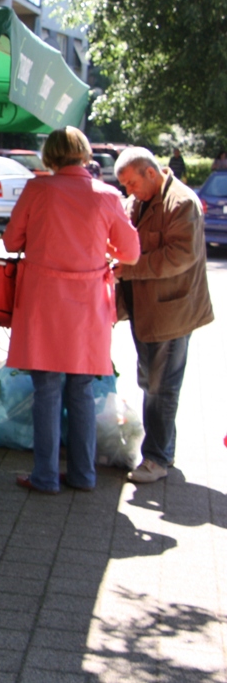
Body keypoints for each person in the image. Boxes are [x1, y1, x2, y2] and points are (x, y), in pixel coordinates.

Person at [3, 127, 140, 494]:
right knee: (80, 390)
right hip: (88, 305)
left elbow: (11, 240)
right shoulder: (107, 195)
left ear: (50, 155)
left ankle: (45, 476)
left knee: (46, 388)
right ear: (82, 153)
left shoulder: (38, 190)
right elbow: (130, 252)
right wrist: (104, 248)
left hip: (43, 302)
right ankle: (83, 475)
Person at [113, 147, 214, 483]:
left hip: (172, 310)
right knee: (150, 381)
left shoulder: (181, 202)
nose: (128, 191)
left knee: (162, 386)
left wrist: (129, 268)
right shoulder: (136, 202)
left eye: (131, 183)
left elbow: (180, 256)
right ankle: (163, 450)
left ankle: (156, 458)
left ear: (151, 173)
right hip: (145, 310)